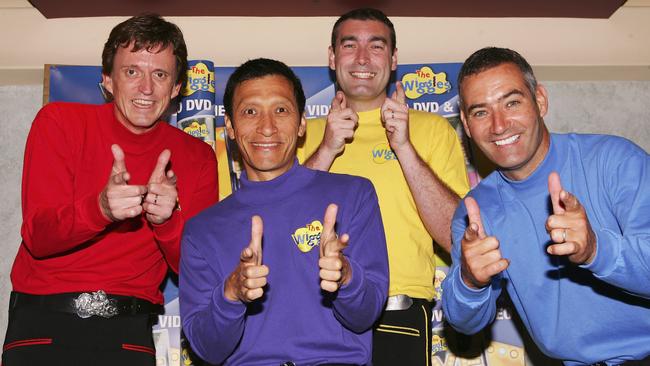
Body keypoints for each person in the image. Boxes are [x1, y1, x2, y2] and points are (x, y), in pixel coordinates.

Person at [2, 14, 218, 366]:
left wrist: (167, 221)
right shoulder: (59, 122)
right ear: (107, 81)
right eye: (132, 71)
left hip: (128, 334)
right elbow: (38, 236)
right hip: (43, 324)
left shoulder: (197, 157)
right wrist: (99, 209)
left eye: (160, 75)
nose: (146, 88)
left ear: (177, 87)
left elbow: (198, 271)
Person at [442, 47, 650, 365]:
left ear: (540, 101)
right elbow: (466, 323)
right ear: (468, 127)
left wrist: (596, 250)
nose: (498, 125)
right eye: (480, 112)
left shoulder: (614, 160)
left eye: (511, 103)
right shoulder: (475, 212)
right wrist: (470, 282)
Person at [180, 58, 389, 365]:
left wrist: (346, 277)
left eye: (281, 110)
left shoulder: (353, 195)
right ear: (231, 128)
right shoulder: (202, 230)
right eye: (250, 111)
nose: (267, 127)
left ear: (302, 122)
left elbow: (365, 315)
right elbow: (207, 349)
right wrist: (230, 294)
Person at [298, 8, 469, 365]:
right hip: (315, 311)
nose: (362, 58)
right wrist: (327, 148)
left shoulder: (432, 130)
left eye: (376, 47)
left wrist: (403, 147)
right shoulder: (302, 134)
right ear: (332, 57)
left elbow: (457, 238)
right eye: (350, 45)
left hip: (397, 315)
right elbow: (282, 227)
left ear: (393, 60)